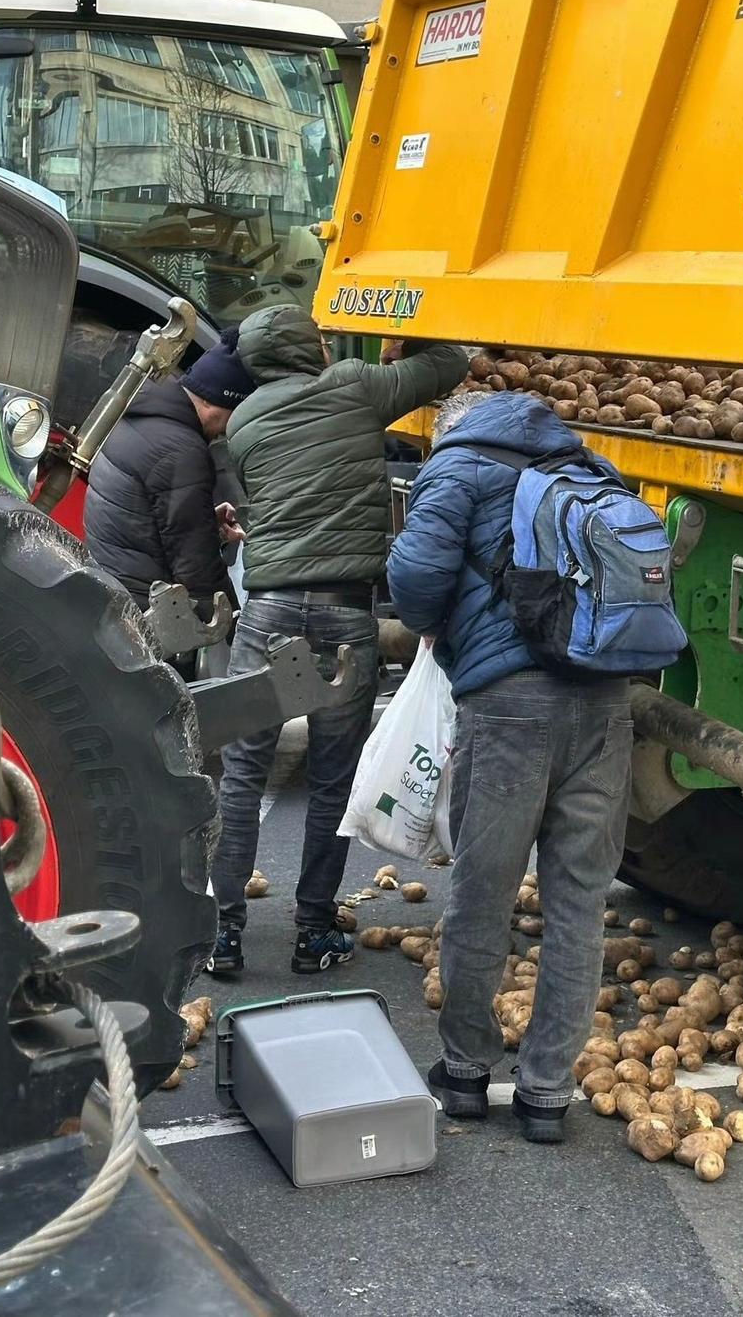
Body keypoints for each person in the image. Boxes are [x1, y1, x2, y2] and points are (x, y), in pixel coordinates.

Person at [386, 390, 634, 1143]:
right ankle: (548, 1094)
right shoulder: (591, 467)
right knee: (579, 901)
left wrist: (443, 627)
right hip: (604, 700)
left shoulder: (455, 466)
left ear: (451, 426)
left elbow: (415, 581)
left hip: (508, 702)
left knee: (483, 891)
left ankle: (466, 1073)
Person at [207, 306, 468, 977]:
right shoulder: (355, 385)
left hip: (269, 614)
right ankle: (313, 931)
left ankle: (223, 934)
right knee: (330, 780)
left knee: (242, 774)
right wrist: (406, 339)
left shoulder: (242, 421)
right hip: (344, 614)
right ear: (309, 348)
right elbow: (450, 364)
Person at [83, 329, 253, 616]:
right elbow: (197, 570)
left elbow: (144, 519)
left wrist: (203, 522)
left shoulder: (137, 416)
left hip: (111, 588)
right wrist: (233, 625)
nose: (227, 429)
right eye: (232, 414)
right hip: (143, 610)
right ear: (210, 400)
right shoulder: (180, 450)